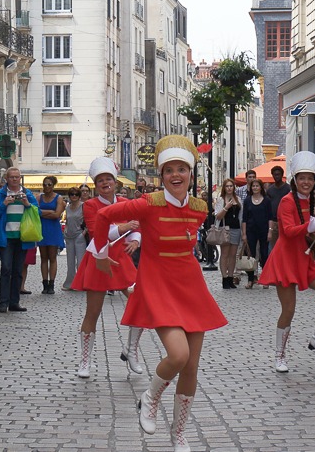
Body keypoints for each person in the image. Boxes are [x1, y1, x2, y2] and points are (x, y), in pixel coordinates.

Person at [92, 136, 227, 451]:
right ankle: (150, 397)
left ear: (191, 174)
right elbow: (102, 217)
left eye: (182, 169)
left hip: (191, 288)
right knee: (178, 355)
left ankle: (179, 434)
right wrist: (100, 254)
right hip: (158, 286)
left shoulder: (199, 209)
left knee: (191, 366)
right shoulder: (148, 204)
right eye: (169, 170)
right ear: (162, 175)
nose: (176, 175)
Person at [258, 151, 315, 372]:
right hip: (285, 259)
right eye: (302, 178)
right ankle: (280, 355)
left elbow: (308, 227)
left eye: (310, 178)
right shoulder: (286, 201)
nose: (306, 182)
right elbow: (289, 231)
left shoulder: (311, 200)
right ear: (294, 180)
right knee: (289, 310)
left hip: (303, 257)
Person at [72, 157, 141, 378]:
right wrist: (123, 228)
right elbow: (97, 234)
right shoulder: (90, 205)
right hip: (99, 259)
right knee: (93, 312)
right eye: (100, 180)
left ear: (115, 181)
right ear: (95, 184)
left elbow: (137, 225)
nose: (105, 183)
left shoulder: (124, 202)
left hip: (121, 258)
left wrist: (136, 240)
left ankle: (130, 351)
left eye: (108, 179)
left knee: (142, 303)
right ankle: (85, 361)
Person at [0, 167, 37, 313]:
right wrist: (4, 205)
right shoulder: (0, 194)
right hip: (6, 237)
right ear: (6, 179)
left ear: (20, 178)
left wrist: (27, 204)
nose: (15, 180)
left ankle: (14, 302)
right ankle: (3, 303)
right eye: (12, 177)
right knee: (6, 268)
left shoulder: (27, 193)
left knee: (18, 270)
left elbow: (37, 212)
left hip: (23, 237)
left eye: (17, 177)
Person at [37, 176, 66, 294]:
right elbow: (35, 212)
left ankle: (52, 284)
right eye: (45, 184)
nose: (47, 187)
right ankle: (45, 283)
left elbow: (57, 215)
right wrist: (50, 212)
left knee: (52, 257)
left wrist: (43, 213)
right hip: (42, 229)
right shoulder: (39, 197)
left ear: (53, 185)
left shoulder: (58, 198)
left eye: (49, 184)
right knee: (43, 257)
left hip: (53, 230)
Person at [241, 178, 271, 288]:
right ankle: (250, 279)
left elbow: (270, 217)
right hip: (250, 231)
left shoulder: (266, 200)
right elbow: (244, 219)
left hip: (264, 230)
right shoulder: (247, 201)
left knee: (264, 255)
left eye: (257, 186)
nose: (255, 188)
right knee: (251, 255)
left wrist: (270, 231)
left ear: (261, 187)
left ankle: (266, 279)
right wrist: (244, 234)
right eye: (253, 186)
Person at [214, 178, 242, 289]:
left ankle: (231, 277)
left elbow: (241, 215)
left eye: (231, 186)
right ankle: (224, 278)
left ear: (234, 187)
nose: (229, 188)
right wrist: (226, 207)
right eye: (227, 186)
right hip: (225, 229)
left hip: (236, 229)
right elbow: (217, 216)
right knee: (225, 254)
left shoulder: (238, 199)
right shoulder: (221, 199)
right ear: (224, 188)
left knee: (233, 255)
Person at [62, 187, 86, 291]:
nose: (74, 196)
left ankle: (81, 283)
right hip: (69, 236)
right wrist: (65, 231)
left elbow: (88, 220)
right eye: (72, 194)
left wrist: (84, 233)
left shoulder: (83, 206)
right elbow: (67, 220)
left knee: (80, 262)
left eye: (76, 194)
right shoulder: (68, 207)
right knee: (70, 261)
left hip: (79, 235)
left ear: (79, 196)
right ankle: (69, 283)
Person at [266, 165, 290, 249]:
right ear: (272, 175)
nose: (277, 176)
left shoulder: (288, 188)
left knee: (285, 246)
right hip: (274, 222)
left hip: (285, 221)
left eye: (278, 174)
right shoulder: (269, 190)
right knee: (274, 247)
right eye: (275, 174)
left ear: (282, 175)